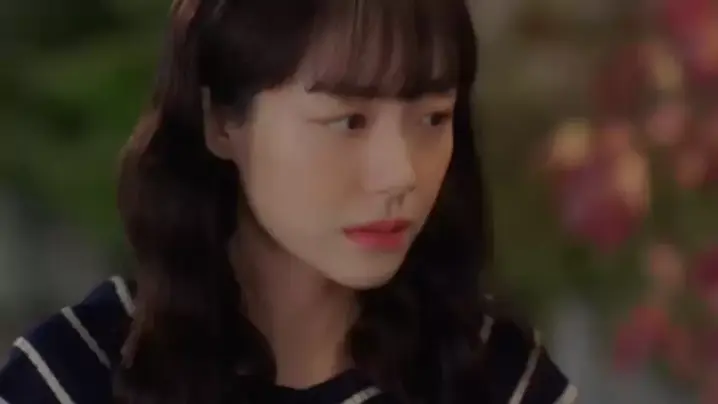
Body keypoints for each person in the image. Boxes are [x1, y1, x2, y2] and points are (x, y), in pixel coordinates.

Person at [0, 0, 578, 403]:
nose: (401, 174)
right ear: (222, 121)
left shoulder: (493, 376)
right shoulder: (73, 377)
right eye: (349, 121)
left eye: (433, 118)